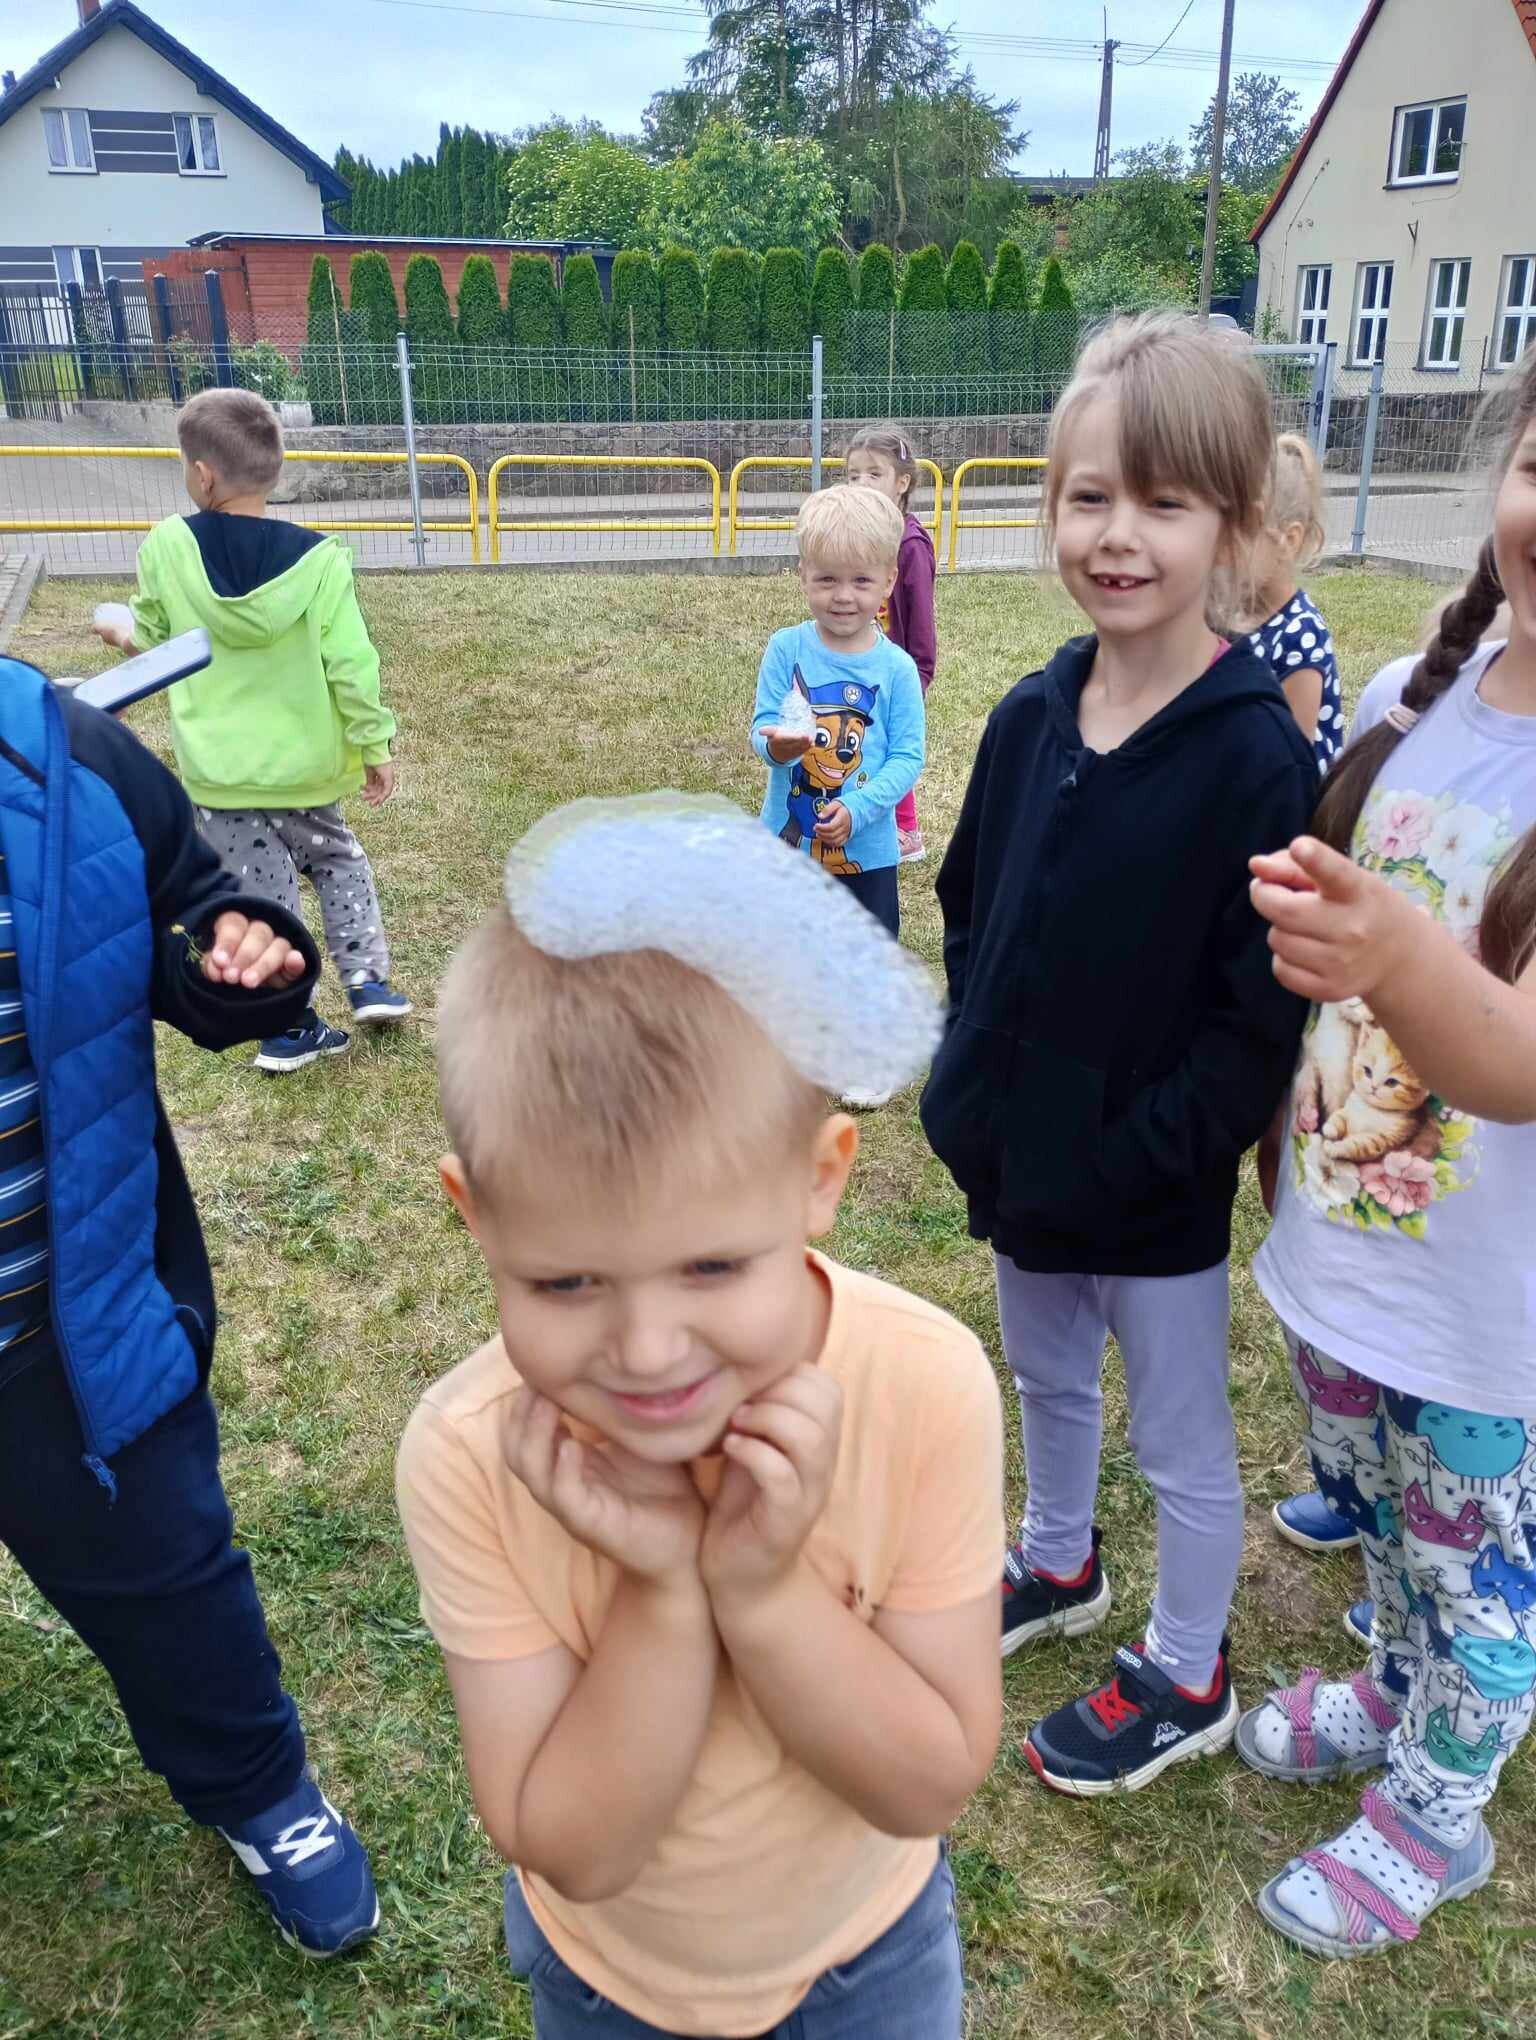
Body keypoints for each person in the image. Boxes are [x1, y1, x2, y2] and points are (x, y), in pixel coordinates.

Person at [396, 794, 1003, 2039]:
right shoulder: (471, 1456)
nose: (647, 1350)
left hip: (873, 1960)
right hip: (612, 1987)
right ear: (476, 1215)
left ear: (821, 1178)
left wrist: (763, 1590)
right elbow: (576, 1851)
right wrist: (665, 1587)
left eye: (713, 1267)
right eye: (566, 1283)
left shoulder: (926, 1385)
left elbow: (929, 1785)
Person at [921, 312, 1317, 1794]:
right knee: (1045, 1378)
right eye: (1091, 497)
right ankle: (1057, 1560)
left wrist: (1149, 1150)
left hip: (1153, 1190)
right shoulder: (1029, 717)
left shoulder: (1255, 754)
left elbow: (1255, 1017)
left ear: (1233, 525)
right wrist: (976, 1081)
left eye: (1163, 501)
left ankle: (1188, 1667)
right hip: (1027, 1160)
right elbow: (970, 900)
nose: (1120, 535)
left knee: (1181, 1441)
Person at [0, 654, 377, 1955]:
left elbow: (194, 920)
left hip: (68, 1323)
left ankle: (259, 1790)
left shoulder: (64, 756)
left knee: (171, 1580)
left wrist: (242, 964)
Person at [1236, 344, 1536, 1959]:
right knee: (1383, 1517)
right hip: (1348, 1250)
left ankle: (1437, 1811)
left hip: (1494, 1317)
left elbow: (1515, 1066)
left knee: (1477, 1567)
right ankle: (1396, 1686)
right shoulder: (1416, 695)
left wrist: (1393, 948)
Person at [92, 386, 408, 1075]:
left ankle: (286, 1027)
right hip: (304, 767)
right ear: (274, 468)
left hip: (220, 775)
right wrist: (374, 743)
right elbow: (351, 665)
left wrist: (118, 628)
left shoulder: (168, 547)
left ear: (203, 474)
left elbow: (153, 640)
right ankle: (367, 980)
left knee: (259, 898)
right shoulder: (320, 561)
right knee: (337, 860)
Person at [750, 486, 925, 940]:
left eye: (861, 581)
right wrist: (778, 749)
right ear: (802, 575)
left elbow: (907, 757)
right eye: (827, 579)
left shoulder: (898, 669)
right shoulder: (785, 649)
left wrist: (858, 808)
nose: (843, 596)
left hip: (868, 860)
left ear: (889, 580)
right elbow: (763, 729)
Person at [846, 426, 937, 863]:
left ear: (902, 483)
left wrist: (918, 674)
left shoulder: (910, 545)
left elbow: (920, 619)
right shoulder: (861, 534)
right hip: (863, 661)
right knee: (862, 740)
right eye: (853, 475)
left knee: (892, 745)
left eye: (874, 474)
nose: (861, 484)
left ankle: (906, 831)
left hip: (898, 668)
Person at [1241, 431, 1344, 774]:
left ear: (1289, 540)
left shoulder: (1300, 634)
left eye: (1242, 535)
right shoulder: (1223, 616)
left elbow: (1289, 759)